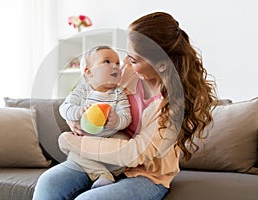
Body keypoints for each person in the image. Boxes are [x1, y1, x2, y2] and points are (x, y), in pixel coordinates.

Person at [33, 11, 216, 200]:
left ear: (161, 66)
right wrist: (75, 119)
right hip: (101, 161)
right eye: (127, 54)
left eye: (134, 59)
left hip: (145, 174)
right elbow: (91, 92)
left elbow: (134, 153)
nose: (125, 62)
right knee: (49, 183)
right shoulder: (127, 73)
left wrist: (69, 141)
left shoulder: (176, 104)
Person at [58, 46, 132, 189]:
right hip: (86, 141)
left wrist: (117, 121)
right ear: (89, 72)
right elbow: (64, 108)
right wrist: (79, 112)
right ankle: (103, 175)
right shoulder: (82, 91)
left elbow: (126, 118)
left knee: (125, 141)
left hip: (110, 140)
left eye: (117, 63)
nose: (115, 66)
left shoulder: (119, 94)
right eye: (107, 62)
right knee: (67, 142)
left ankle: (111, 168)